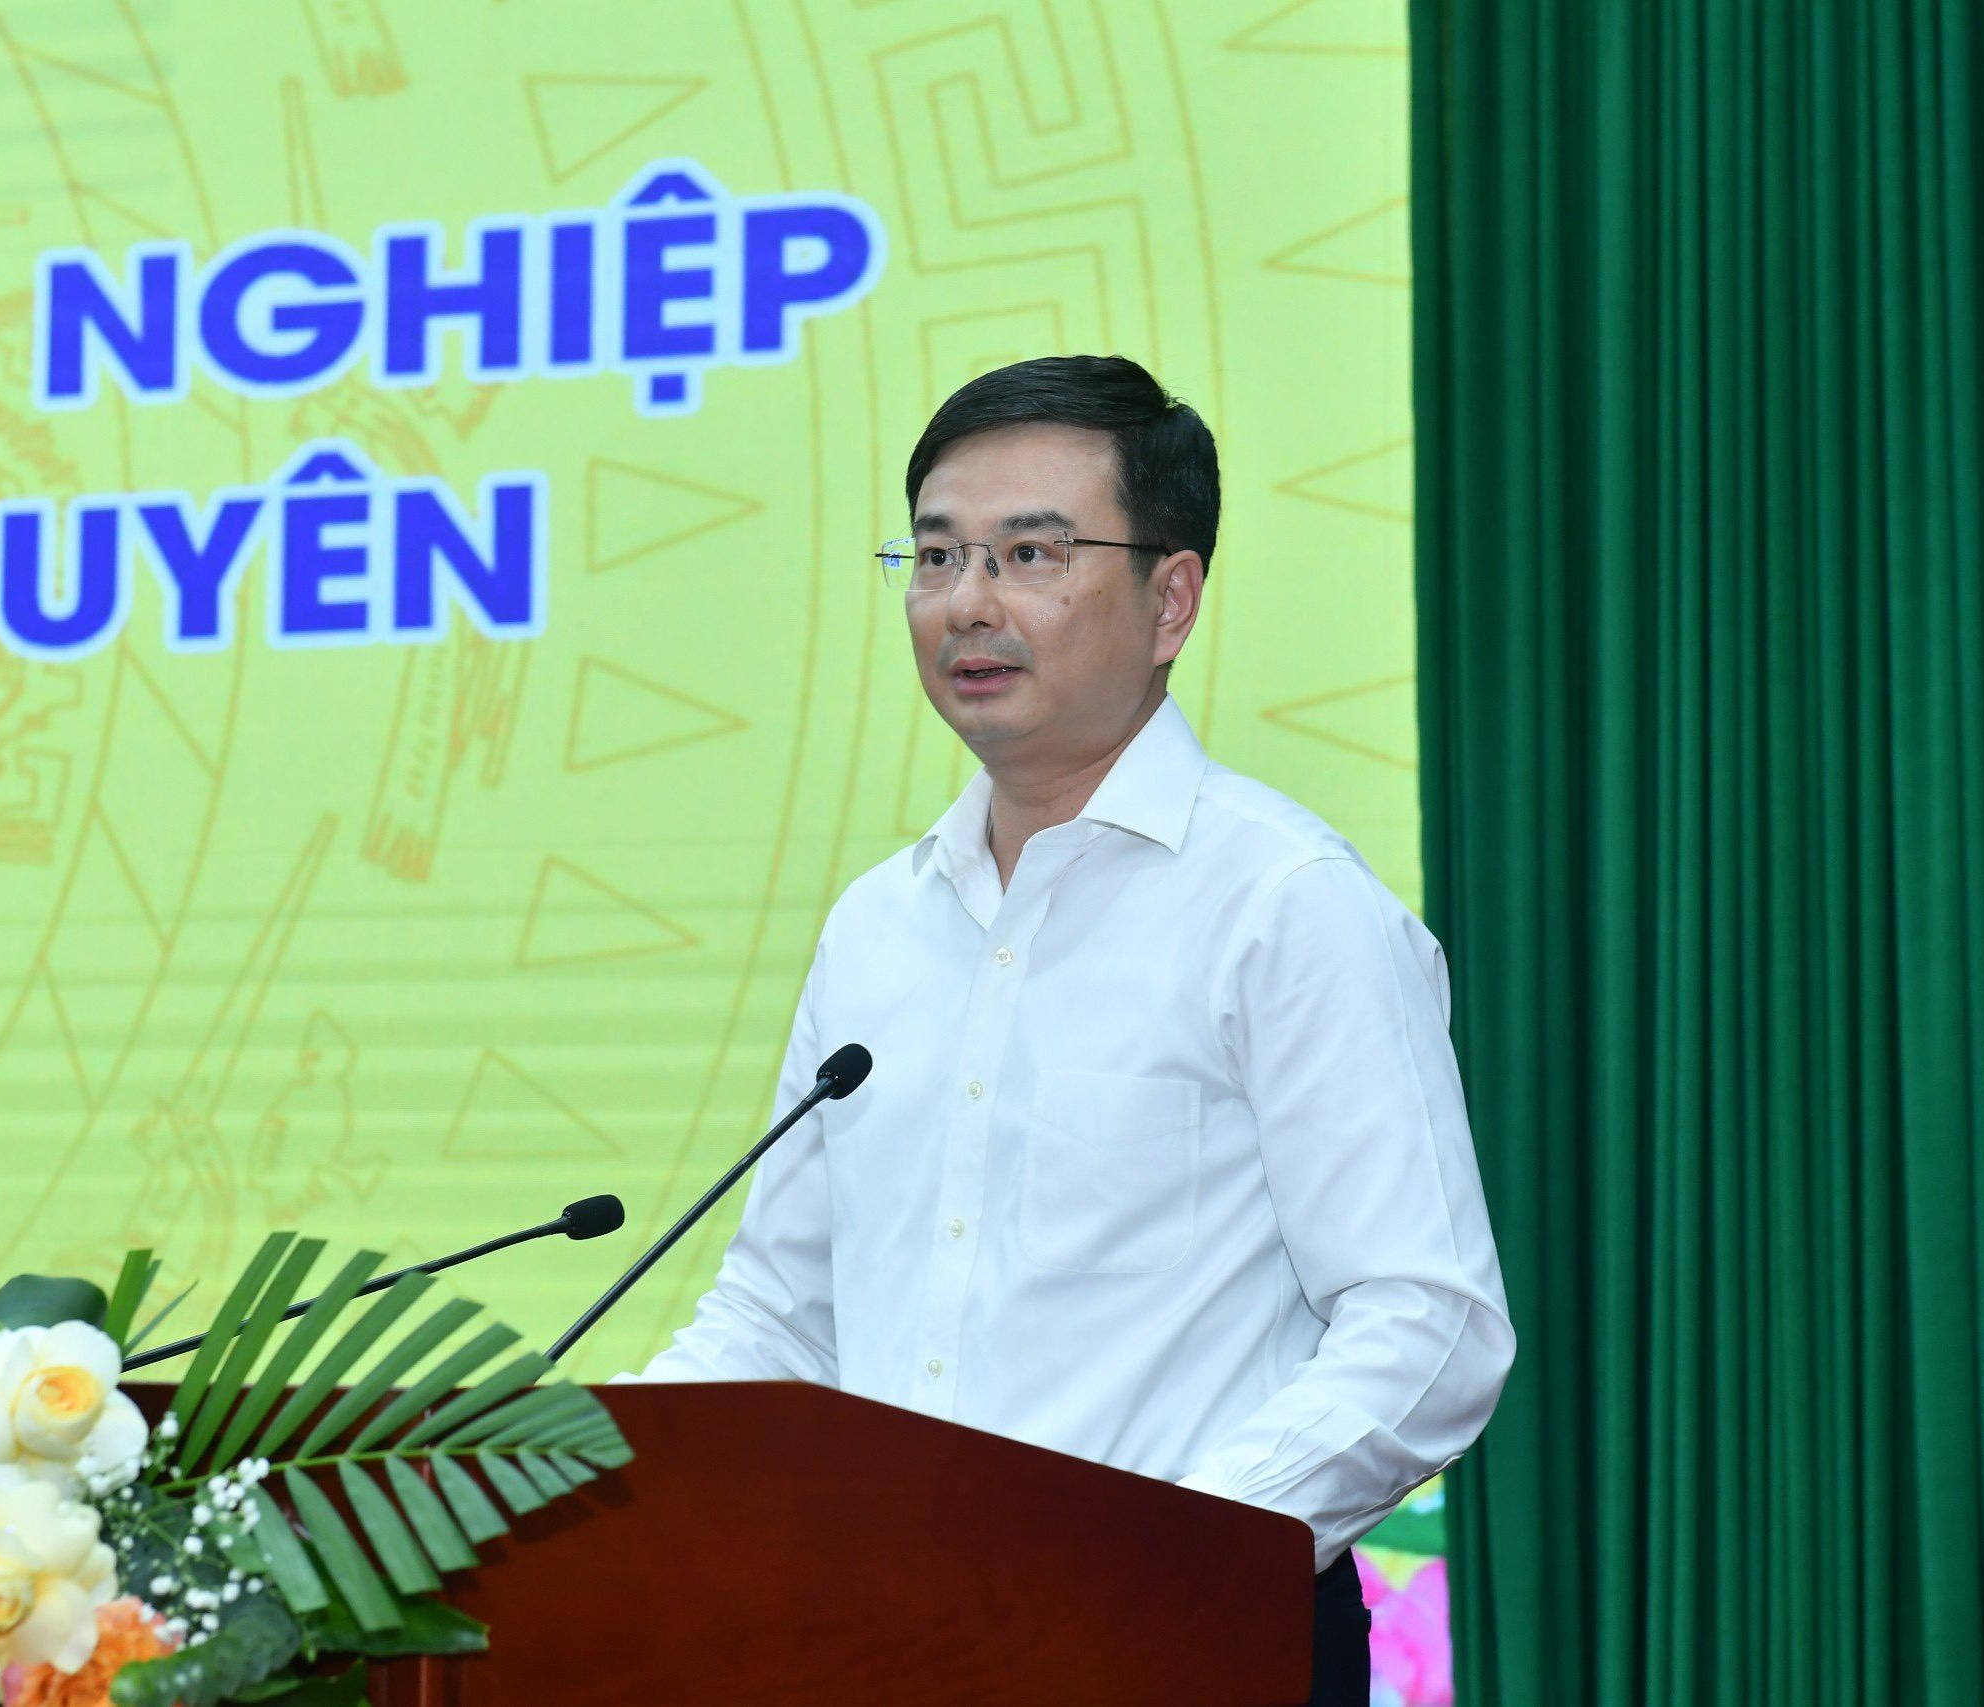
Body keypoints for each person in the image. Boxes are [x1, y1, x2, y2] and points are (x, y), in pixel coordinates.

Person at [632, 354, 1512, 1706]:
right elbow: (783, 1317)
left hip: (1188, 1643)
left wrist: (1161, 1557)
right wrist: (572, 1472)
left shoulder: (1285, 905)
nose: (967, 603)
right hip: (889, 1647)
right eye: (936, 555)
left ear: (1172, 599)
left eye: (1030, 554)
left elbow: (1429, 1325)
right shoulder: (877, 927)